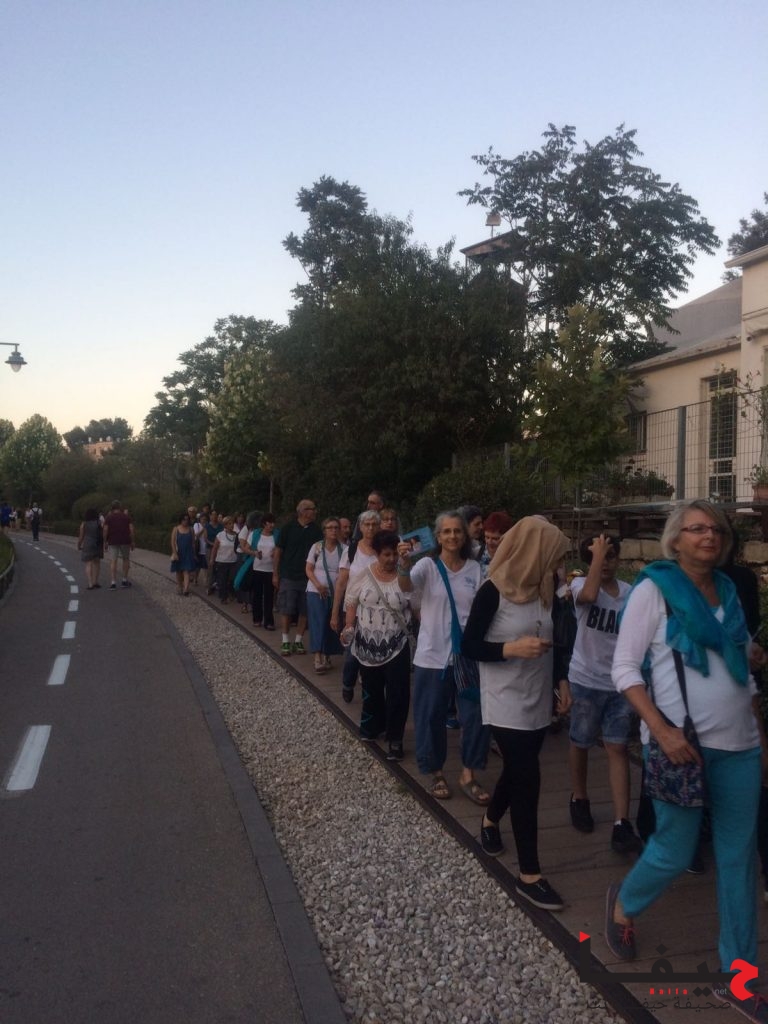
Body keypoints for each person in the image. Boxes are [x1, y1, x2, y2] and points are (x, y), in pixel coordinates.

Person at [607, 500, 767, 1016]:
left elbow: (742, 673)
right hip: (682, 748)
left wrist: (760, 737)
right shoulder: (655, 589)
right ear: (675, 540)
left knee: (739, 863)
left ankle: (738, 979)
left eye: (716, 528)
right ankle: (625, 903)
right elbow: (624, 669)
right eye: (697, 529)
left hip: (740, 747)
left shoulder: (729, 590)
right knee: (674, 851)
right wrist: (661, 731)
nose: (709, 536)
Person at [461, 516, 571, 912]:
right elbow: (468, 646)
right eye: (553, 556)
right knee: (528, 777)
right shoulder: (493, 590)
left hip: (537, 695)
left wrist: (561, 681)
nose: (558, 565)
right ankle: (529, 875)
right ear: (533, 552)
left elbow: (552, 639)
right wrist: (510, 649)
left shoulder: (545, 588)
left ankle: (490, 821)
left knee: (517, 769)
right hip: (504, 699)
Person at [397, 511, 490, 805]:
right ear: (437, 537)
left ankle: (468, 774)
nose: (452, 536)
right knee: (430, 716)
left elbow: (484, 608)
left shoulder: (475, 569)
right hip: (432, 655)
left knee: (475, 717)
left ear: (465, 536)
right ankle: (435, 771)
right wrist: (403, 565)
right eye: (446, 531)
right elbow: (406, 588)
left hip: (468, 656)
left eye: (457, 531)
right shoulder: (427, 565)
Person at [565, 535, 640, 853]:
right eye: (600, 557)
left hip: (619, 683)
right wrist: (595, 557)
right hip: (586, 679)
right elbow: (590, 595)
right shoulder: (578, 584)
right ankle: (579, 796)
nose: (606, 562)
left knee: (618, 747)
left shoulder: (630, 593)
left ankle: (622, 822)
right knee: (580, 741)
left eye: (611, 556)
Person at [344, 531, 412, 759]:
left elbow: (414, 600)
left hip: (397, 642)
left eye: (394, 554)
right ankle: (374, 726)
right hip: (367, 644)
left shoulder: (404, 575)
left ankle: (395, 739)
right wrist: (348, 626)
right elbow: (351, 600)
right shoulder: (363, 574)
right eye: (386, 554)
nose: (391, 559)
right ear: (376, 553)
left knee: (398, 693)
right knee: (372, 689)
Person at [332, 510, 381, 701]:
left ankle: (371, 691)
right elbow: (341, 583)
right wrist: (335, 613)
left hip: (378, 611)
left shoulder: (384, 549)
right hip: (354, 610)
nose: (370, 528)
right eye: (367, 524)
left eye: (374, 524)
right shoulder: (351, 550)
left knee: (375, 651)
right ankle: (348, 682)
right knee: (352, 654)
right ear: (360, 527)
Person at [273, 499, 322, 656]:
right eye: (312, 508)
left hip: (308, 577)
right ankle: (285, 640)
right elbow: (278, 551)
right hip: (289, 575)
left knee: (304, 610)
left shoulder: (317, 531)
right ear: (303, 511)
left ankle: (299, 640)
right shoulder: (288, 528)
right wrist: (275, 573)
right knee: (286, 608)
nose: (315, 511)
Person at [306, 517, 345, 673]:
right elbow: (309, 569)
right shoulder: (317, 547)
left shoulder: (344, 549)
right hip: (316, 591)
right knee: (318, 622)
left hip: (336, 593)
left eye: (336, 527)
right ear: (324, 531)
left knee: (332, 624)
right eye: (330, 528)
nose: (333, 531)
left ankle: (327, 653)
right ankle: (317, 656)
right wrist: (317, 585)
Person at [236, 513, 279, 630]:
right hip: (257, 568)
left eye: (273, 522)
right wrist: (254, 553)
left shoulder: (277, 534)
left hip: (271, 569)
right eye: (270, 522)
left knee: (269, 596)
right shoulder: (255, 534)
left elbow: (281, 548)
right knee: (257, 595)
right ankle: (257, 619)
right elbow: (245, 547)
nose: (272, 525)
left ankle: (269, 621)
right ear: (264, 523)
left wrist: (276, 552)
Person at [103, 500, 135, 589]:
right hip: (125, 541)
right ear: (120, 507)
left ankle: (113, 582)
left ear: (112, 507)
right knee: (126, 559)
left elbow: (105, 530)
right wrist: (132, 541)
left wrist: (105, 541)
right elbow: (131, 530)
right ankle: (124, 580)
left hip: (113, 541)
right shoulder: (126, 517)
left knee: (113, 561)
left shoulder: (108, 518)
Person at [209, 516, 240, 603]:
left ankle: (231, 594)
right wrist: (212, 559)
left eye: (232, 523)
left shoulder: (237, 536)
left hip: (233, 561)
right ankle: (223, 597)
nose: (231, 525)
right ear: (225, 525)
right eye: (229, 524)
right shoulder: (220, 535)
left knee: (231, 579)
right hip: (222, 561)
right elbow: (215, 548)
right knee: (223, 580)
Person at [170, 511, 196, 596]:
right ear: (181, 520)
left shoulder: (191, 529)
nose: (186, 521)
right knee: (179, 571)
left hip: (188, 553)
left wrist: (194, 554)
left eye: (187, 519)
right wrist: (175, 553)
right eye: (184, 519)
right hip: (179, 552)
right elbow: (172, 542)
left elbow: (193, 543)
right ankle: (179, 586)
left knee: (186, 571)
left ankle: (186, 589)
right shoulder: (176, 529)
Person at [479, 511, 512, 577]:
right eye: (487, 537)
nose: (489, 542)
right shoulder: (477, 553)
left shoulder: (513, 556)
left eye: (495, 539)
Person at [77, 508, 104, 589]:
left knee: (89, 564)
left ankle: (90, 583)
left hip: (88, 544)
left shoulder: (84, 524)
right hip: (98, 544)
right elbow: (103, 533)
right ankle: (96, 582)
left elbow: (81, 537)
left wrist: (79, 545)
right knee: (97, 563)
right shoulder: (99, 523)